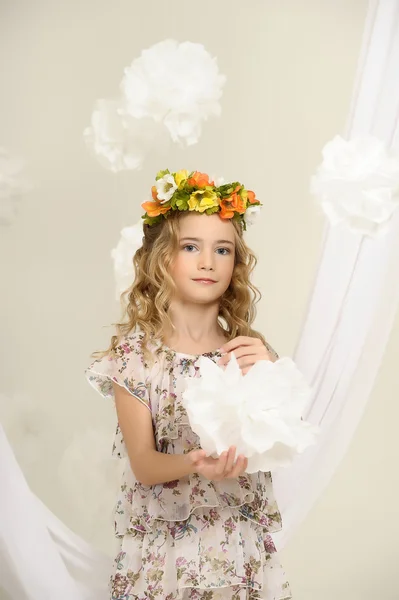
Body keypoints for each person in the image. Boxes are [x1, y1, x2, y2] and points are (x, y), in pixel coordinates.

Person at [85, 169, 292, 600]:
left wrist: (274, 375)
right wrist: (197, 464)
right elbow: (143, 464)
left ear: (236, 264)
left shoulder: (247, 351)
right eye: (191, 247)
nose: (208, 262)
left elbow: (283, 437)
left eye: (223, 250)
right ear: (163, 258)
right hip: (166, 558)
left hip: (237, 553)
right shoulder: (136, 359)